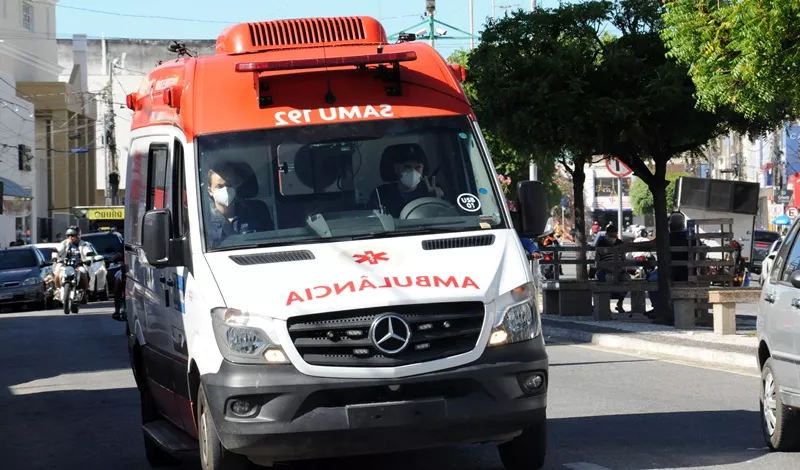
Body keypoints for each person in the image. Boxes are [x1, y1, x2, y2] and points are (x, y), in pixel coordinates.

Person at [206, 162, 272, 248]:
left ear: (235, 187)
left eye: (229, 184)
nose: (225, 189)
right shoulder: (205, 222)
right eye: (220, 186)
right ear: (210, 191)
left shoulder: (257, 211)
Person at [368, 144, 444, 218]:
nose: (413, 172)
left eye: (418, 167)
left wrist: (436, 201)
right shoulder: (380, 195)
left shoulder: (432, 191)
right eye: (407, 167)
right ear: (396, 168)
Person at [594, 223, 629, 313]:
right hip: (603, 270)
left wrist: (621, 268)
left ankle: (620, 302)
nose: (612, 238)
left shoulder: (620, 243)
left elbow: (623, 259)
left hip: (618, 269)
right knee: (609, 278)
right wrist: (608, 268)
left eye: (614, 235)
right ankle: (607, 304)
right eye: (610, 235)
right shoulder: (601, 243)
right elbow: (597, 261)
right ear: (607, 234)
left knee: (627, 278)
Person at [53, 226, 91, 304]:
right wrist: (54, 258)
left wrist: (88, 259)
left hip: (78, 265)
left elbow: (88, 252)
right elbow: (57, 250)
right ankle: (59, 290)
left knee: (83, 274)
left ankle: (85, 293)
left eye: (73, 235)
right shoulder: (64, 243)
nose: (70, 237)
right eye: (68, 236)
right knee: (57, 275)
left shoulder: (83, 244)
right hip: (65, 265)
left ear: (78, 235)